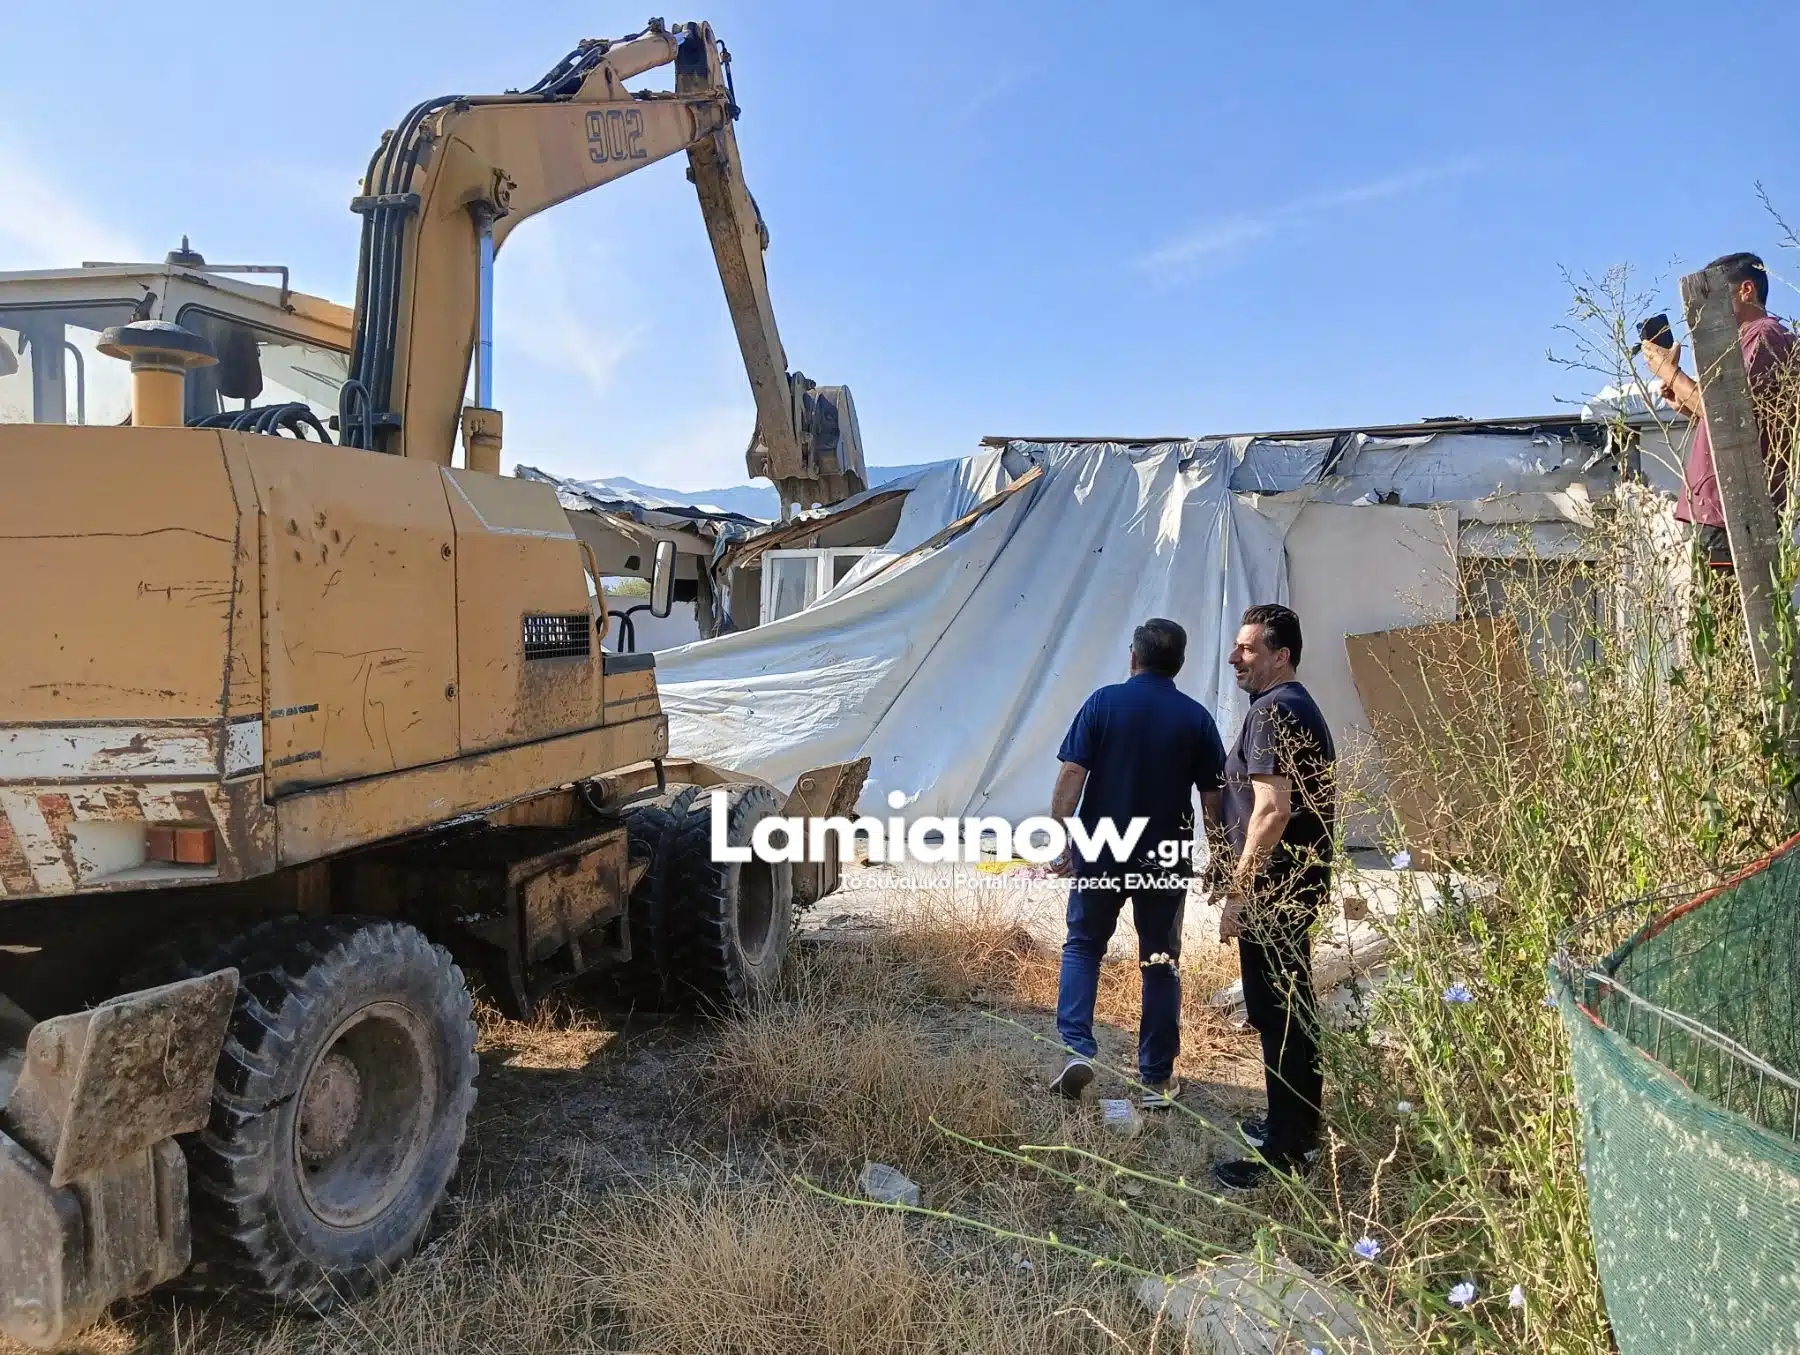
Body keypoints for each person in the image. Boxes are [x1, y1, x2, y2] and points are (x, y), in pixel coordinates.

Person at [1047, 618, 1226, 1110]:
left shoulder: (1103, 703)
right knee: (1160, 962)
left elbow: (1071, 774)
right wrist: (1222, 858)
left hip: (1101, 850)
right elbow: (1213, 800)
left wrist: (1063, 839)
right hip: (1165, 857)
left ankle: (1077, 1050)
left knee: (1084, 947)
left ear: (1133, 656)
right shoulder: (1195, 718)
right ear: (1179, 664)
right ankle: (1155, 1081)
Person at [1211, 603, 1337, 1190]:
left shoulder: (1272, 712)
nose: (1235, 657)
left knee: (1280, 1016)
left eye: (1248, 648)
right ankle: (1294, 1129)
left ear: (1281, 655)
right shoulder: (1295, 705)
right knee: (1287, 1010)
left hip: (1274, 891)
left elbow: (1272, 811)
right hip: (1293, 886)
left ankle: (1286, 1153)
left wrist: (1238, 894)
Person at [1638, 251, 1796, 568]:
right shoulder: (1750, 342)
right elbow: (1745, 421)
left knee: (1729, 600)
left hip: (1734, 513)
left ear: (1746, 290)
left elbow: (1732, 418)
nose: (1705, 311)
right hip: (1724, 511)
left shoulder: (1764, 335)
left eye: (1714, 298)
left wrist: (1670, 372)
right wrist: (1686, 403)